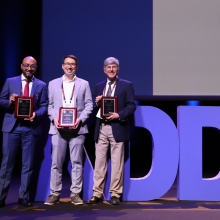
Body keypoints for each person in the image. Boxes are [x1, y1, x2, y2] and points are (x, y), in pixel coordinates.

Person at [86, 57, 136, 205]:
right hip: (101, 127)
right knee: (99, 163)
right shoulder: (98, 86)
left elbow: (131, 106)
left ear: (118, 69)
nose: (111, 70)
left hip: (117, 127)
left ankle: (115, 194)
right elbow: (93, 109)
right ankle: (97, 193)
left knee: (117, 163)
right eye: (108, 67)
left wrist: (119, 115)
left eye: (114, 67)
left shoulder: (126, 85)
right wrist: (97, 103)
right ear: (104, 70)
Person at [44, 55, 93, 206]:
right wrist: (54, 119)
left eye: (72, 64)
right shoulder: (52, 84)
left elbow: (89, 105)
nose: (69, 67)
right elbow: (50, 106)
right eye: (67, 64)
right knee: (56, 163)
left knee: (77, 162)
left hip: (77, 129)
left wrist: (80, 119)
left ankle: (76, 194)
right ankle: (54, 193)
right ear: (62, 66)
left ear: (76, 67)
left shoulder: (84, 84)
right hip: (58, 129)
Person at [0, 56, 48, 208]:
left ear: (36, 67)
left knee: (28, 164)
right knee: (7, 164)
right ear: (21, 66)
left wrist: (36, 114)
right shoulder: (10, 81)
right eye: (26, 65)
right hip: (12, 127)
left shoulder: (41, 85)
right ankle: (1, 197)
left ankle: (24, 197)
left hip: (30, 128)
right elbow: (1, 101)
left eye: (32, 66)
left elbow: (44, 106)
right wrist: (10, 102)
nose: (29, 68)